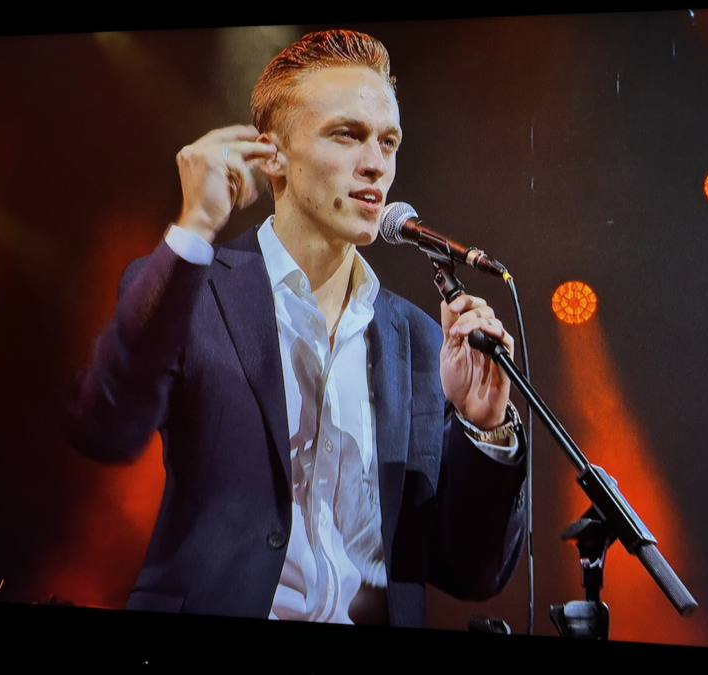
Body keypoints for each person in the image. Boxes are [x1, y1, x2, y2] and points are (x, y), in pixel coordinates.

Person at [65, 30, 527, 628]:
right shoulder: (194, 287)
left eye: (389, 142)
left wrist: (483, 427)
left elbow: (473, 572)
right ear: (272, 155)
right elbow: (106, 426)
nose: (376, 163)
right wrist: (193, 229)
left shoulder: (418, 339)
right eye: (347, 134)